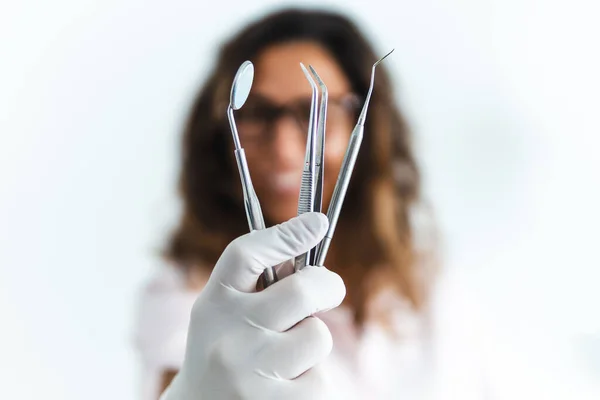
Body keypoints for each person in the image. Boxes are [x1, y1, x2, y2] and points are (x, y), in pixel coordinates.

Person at [134, 7, 545, 400]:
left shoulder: (426, 284)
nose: (285, 149)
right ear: (222, 134)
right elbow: (176, 369)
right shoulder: (195, 295)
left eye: (315, 113)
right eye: (259, 113)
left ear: (361, 126)